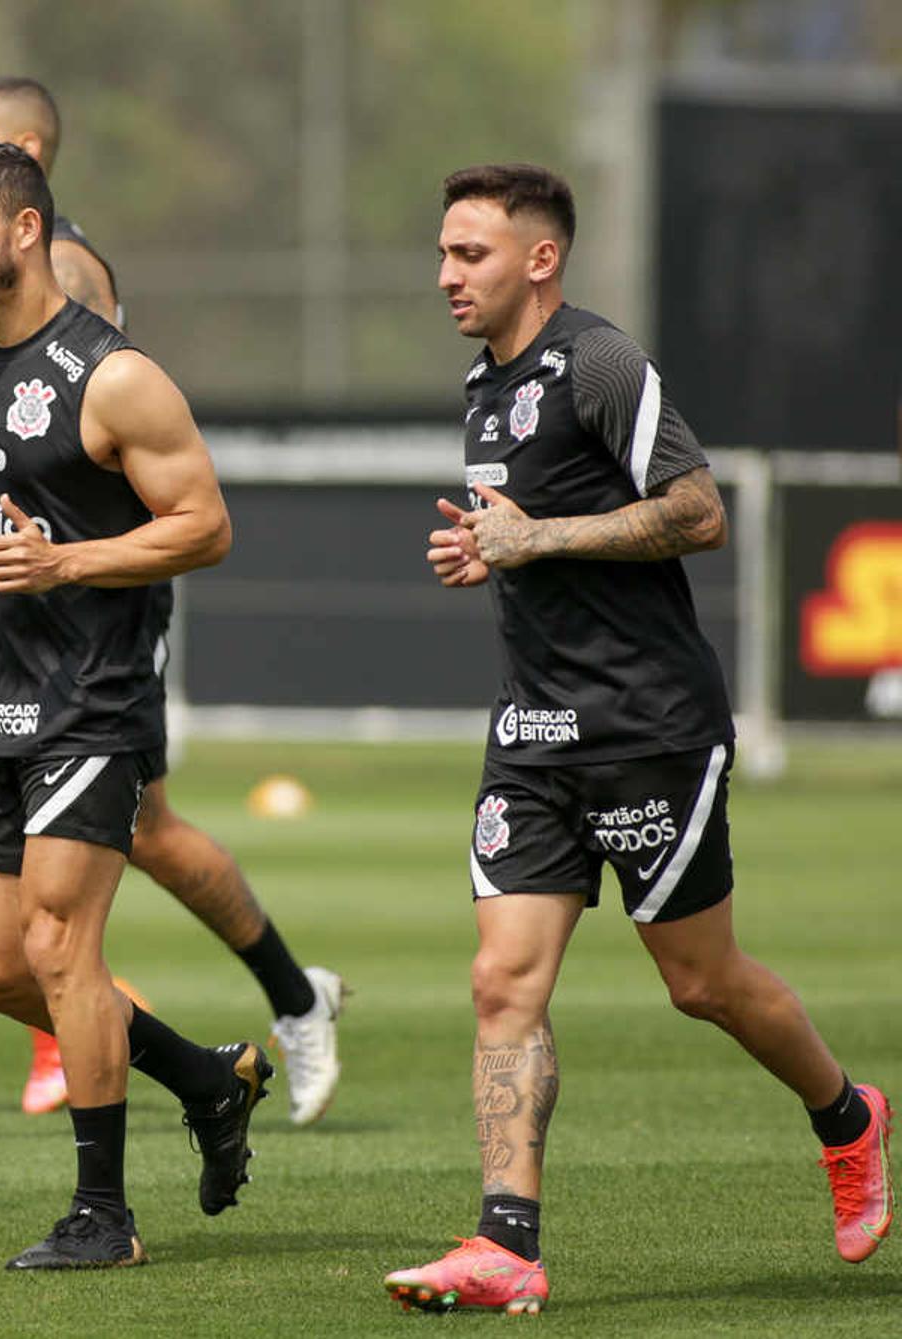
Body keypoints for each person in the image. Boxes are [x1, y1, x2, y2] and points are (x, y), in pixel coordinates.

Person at [384, 163, 892, 1314]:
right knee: (501, 978)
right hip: (532, 731)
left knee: (701, 983)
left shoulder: (601, 363)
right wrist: (494, 550)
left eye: (471, 254)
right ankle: (506, 1240)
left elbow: (699, 510)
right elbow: (528, 539)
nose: (446, 274)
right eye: (445, 252)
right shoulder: (483, 385)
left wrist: (538, 539)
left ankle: (849, 1115)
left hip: (647, 724)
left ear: (541, 259)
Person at [0, 75, 346, 1125]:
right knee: (35, 928)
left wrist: (69, 562)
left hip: (93, 635)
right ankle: (236, 1046)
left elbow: (102, 461)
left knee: (102, 883)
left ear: (25, 169)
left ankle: (114, 1175)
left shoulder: (71, 289)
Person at [0, 140, 267, 1270]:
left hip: (91, 703)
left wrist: (70, 564)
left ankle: (105, 1213)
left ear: (27, 231)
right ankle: (206, 1078)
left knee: (59, 946)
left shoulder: (116, 376)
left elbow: (205, 525)